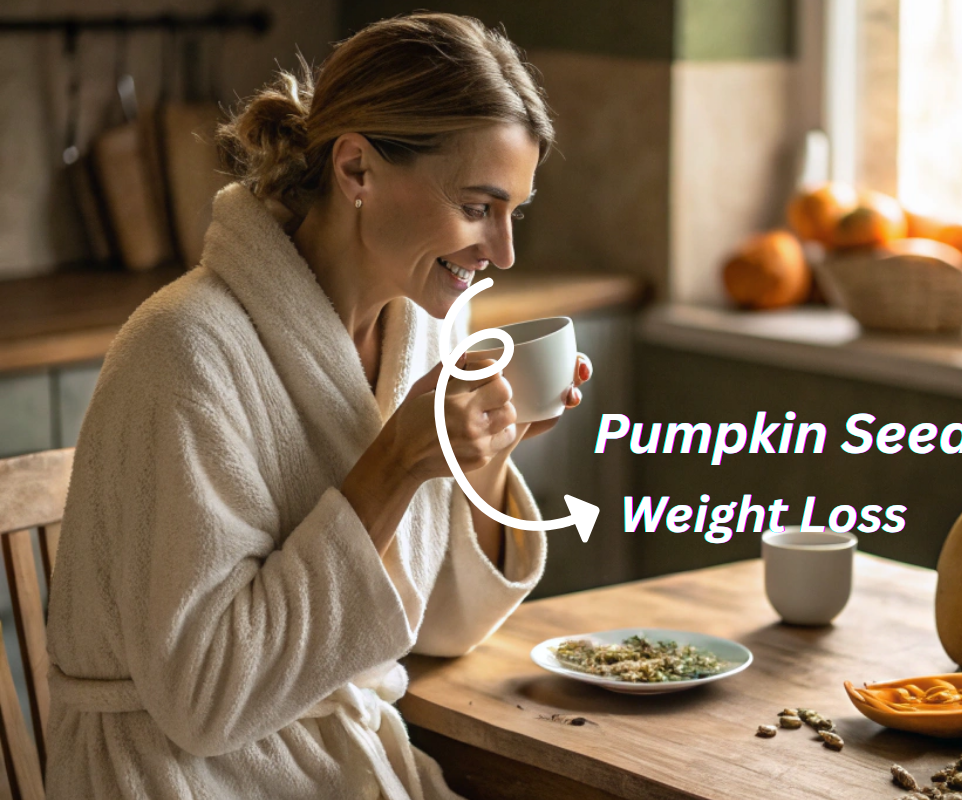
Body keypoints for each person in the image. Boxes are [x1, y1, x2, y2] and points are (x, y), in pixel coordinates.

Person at [44, 13, 589, 799]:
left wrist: (487, 460)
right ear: (357, 168)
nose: (502, 253)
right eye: (478, 207)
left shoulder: (423, 326)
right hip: (177, 776)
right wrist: (396, 464)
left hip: (333, 761)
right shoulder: (186, 350)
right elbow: (206, 701)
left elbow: (435, 629)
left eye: (516, 213)